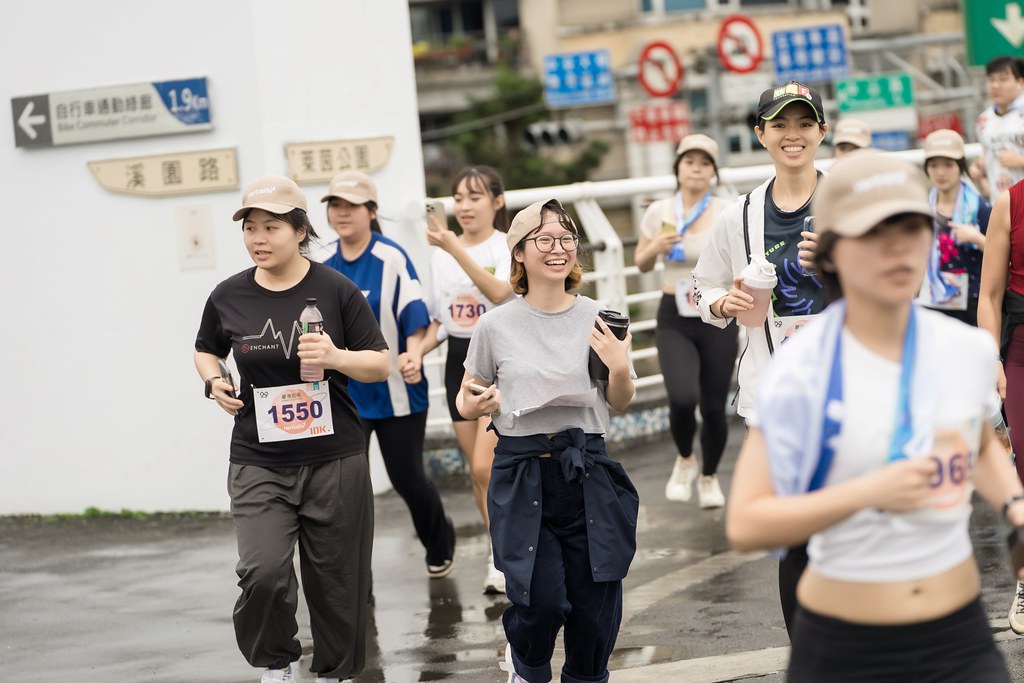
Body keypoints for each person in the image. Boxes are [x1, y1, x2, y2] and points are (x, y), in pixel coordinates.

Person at [727, 153, 1024, 681]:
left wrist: (1015, 506)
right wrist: (869, 492)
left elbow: (978, 443)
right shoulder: (801, 368)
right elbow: (747, 523)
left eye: (910, 228)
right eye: (873, 233)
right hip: (846, 650)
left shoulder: (967, 350)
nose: (896, 249)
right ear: (833, 251)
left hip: (960, 640)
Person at [194, 175, 390, 683]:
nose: (258, 238)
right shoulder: (228, 295)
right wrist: (214, 381)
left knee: (338, 580)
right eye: (250, 228)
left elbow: (379, 363)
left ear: (301, 230)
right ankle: (277, 662)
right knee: (263, 572)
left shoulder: (336, 289)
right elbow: (205, 349)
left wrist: (336, 356)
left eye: (271, 227)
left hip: (334, 457)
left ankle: (333, 673)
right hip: (259, 458)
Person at [458, 199, 639, 683]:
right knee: (541, 603)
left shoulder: (600, 317)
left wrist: (619, 367)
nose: (558, 249)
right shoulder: (495, 325)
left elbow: (619, 400)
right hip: (523, 473)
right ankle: (527, 665)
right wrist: (475, 404)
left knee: (596, 611)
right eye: (544, 239)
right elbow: (466, 397)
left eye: (565, 239)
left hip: (588, 471)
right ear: (519, 252)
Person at [692, 81, 831, 634]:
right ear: (760, 134)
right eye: (780, 125)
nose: (792, 135)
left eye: (804, 123)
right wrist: (720, 303)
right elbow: (701, 285)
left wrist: (841, 264)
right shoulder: (740, 215)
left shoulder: (849, 200)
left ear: (822, 131)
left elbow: (896, 280)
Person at [320, 170, 457, 579]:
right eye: (335, 205)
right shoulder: (321, 262)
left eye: (352, 206)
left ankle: (440, 542)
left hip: (396, 390)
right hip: (345, 397)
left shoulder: (391, 257)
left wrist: (412, 354)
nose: (342, 213)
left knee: (407, 479)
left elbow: (414, 315)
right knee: (347, 488)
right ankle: (355, 575)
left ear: (372, 211)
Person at [408, 165, 513, 594]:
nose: (465, 206)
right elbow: (443, 319)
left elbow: (501, 293)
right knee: (477, 474)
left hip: (499, 359)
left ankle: (506, 553)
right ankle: (498, 551)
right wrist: (416, 351)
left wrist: (454, 247)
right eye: (458, 198)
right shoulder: (440, 256)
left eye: (475, 196)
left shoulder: (506, 245)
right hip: (459, 360)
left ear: (497, 201)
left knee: (486, 466)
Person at [635, 134, 737, 508]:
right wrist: (655, 247)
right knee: (682, 397)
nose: (696, 169)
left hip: (717, 312)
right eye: (689, 161)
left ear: (714, 172)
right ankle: (685, 459)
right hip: (673, 314)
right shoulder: (659, 210)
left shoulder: (727, 210)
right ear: (677, 168)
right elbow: (641, 264)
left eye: (704, 163)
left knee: (713, 407)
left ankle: (709, 476)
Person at [978, 177, 1024, 633]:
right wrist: (990, 358)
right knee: (1021, 461)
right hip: (1020, 350)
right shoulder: (1010, 202)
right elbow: (990, 295)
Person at [919, 129, 990, 326]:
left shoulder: (980, 208)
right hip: (932, 301)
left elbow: (1004, 257)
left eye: (948, 164)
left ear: (960, 165)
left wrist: (976, 238)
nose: (940, 172)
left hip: (973, 304)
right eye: (933, 165)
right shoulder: (921, 209)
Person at [971, 56, 1024, 203]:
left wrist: (1020, 160)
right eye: (991, 79)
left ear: (1020, 82)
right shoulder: (984, 119)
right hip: (999, 203)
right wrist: (979, 166)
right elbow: (987, 154)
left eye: (1003, 79)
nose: (995, 85)